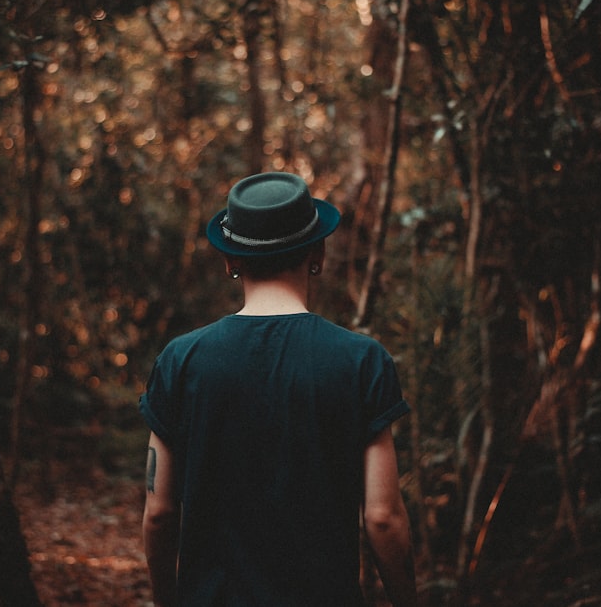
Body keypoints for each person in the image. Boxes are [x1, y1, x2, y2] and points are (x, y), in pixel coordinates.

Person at [140, 171, 417, 606]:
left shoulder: (181, 360)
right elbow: (383, 518)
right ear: (318, 253)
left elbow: (159, 513)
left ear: (230, 261)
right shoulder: (362, 360)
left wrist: (165, 602)